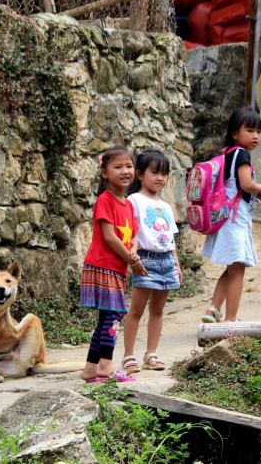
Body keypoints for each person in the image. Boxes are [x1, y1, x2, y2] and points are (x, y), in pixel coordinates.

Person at [201, 106, 261, 323]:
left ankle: (214, 308)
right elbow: (246, 184)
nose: (255, 136)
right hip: (234, 220)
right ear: (234, 133)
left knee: (232, 268)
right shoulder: (241, 154)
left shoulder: (228, 154)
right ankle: (231, 320)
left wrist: (253, 194)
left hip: (226, 217)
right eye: (249, 130)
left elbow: (235, 188)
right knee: (238, 269)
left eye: (258, 131)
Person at [80, 146, 141, 383]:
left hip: (116, 268)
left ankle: (90, 369)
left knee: (107, 318)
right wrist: (130, 259)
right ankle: (106, 364)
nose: (125, 171)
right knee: (115, 315)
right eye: (118, 167)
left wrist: (133, 253)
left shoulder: (128, 204)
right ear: (104, 173)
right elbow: (110, 236)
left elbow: (132, 235)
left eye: (128, 166)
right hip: (102, 266)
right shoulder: (105, 200)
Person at [121, 149, 181, 374]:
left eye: (164, 174)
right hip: (145, 259)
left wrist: (176, 264)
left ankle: (151, 353)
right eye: (154, 172)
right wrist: (132, 258)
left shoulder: (165, 206)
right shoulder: (133, 200)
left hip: (166, 261)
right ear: (139, 174)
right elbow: (130, 232)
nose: (160, 178)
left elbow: (170, 239)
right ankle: (128, 356)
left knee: (157, 310)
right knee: (136, 309)